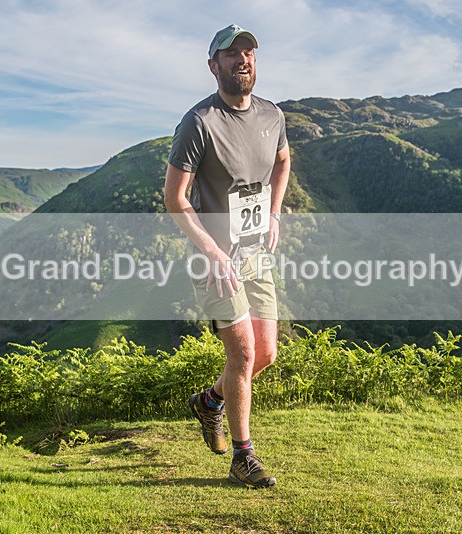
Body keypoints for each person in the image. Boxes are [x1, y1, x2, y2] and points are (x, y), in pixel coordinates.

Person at [163, 24, 291, 489]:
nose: (243, 60)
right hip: (214, 257)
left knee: (267, 355)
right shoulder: (199, 123)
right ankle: (243, 457)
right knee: (241, 353)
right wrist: (212, 249)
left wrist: (274, 213)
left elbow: (282, 160)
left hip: (256, 253)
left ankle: (209, 402)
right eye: (232, 54)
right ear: (213, 65)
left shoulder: (272, 115)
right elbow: (175, 198)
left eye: (249, 52)